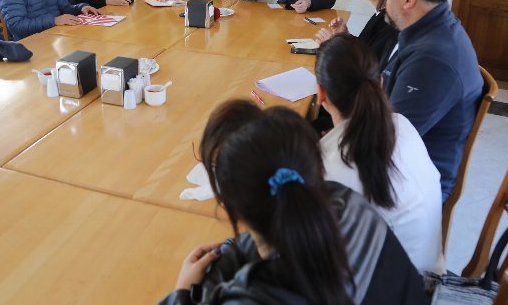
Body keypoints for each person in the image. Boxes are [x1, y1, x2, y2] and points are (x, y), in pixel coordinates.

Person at [160, 100, 426, 305]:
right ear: (317, 171)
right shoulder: (348, 203)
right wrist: (230, 253)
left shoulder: (254, 297)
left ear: (231, 208)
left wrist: (181, 291)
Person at [315, 33, 444, 274]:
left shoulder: (330, 170)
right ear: (380, 83)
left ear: (321, 93)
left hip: (396, 285)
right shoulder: (401, 124)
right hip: (428, 270)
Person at [382, 0, 483, 202]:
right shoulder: (431, 30)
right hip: (403, 161)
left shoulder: (433, 58)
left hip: (412, 184)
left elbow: (387, 142)